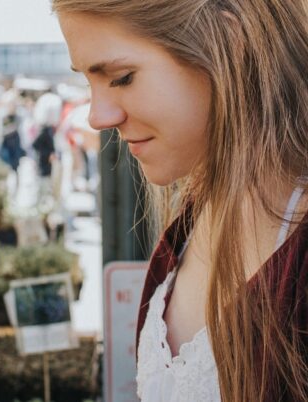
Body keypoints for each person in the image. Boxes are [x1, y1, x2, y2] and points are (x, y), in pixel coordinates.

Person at [53, 0, 308, 401]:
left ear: (230, 41)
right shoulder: (194, 215)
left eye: (121, 78)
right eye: (89, 82)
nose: (97, 117)